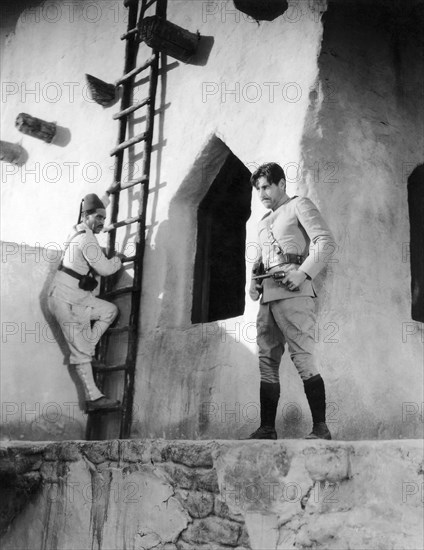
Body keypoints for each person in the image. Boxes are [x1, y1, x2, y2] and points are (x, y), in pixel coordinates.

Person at [247, 162, 336, 439]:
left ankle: (321, 428)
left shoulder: (300, 205)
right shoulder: (262, 223)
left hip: (295, 292)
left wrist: (303, 273)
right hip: (268, 297)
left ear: (281, 184)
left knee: (303, 357)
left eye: (266, 187)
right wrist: (253, 282)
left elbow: (325, 241)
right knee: (266, 360)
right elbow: (261, 259)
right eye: (258, 189)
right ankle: (267, 428)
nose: (262, 193)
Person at [47, 193, 123, 411]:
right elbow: (106, 269)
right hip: (63, 300)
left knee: (109, 310)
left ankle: (88, 349)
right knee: (79, 351)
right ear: (87, 216)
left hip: (78, 298)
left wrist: (107, 197)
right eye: (99, 218)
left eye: (104, 218)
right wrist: (118, 260)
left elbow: (93, 208)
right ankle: (94, 399)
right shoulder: (86, 238)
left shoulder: (78, 229)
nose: (102, 223)